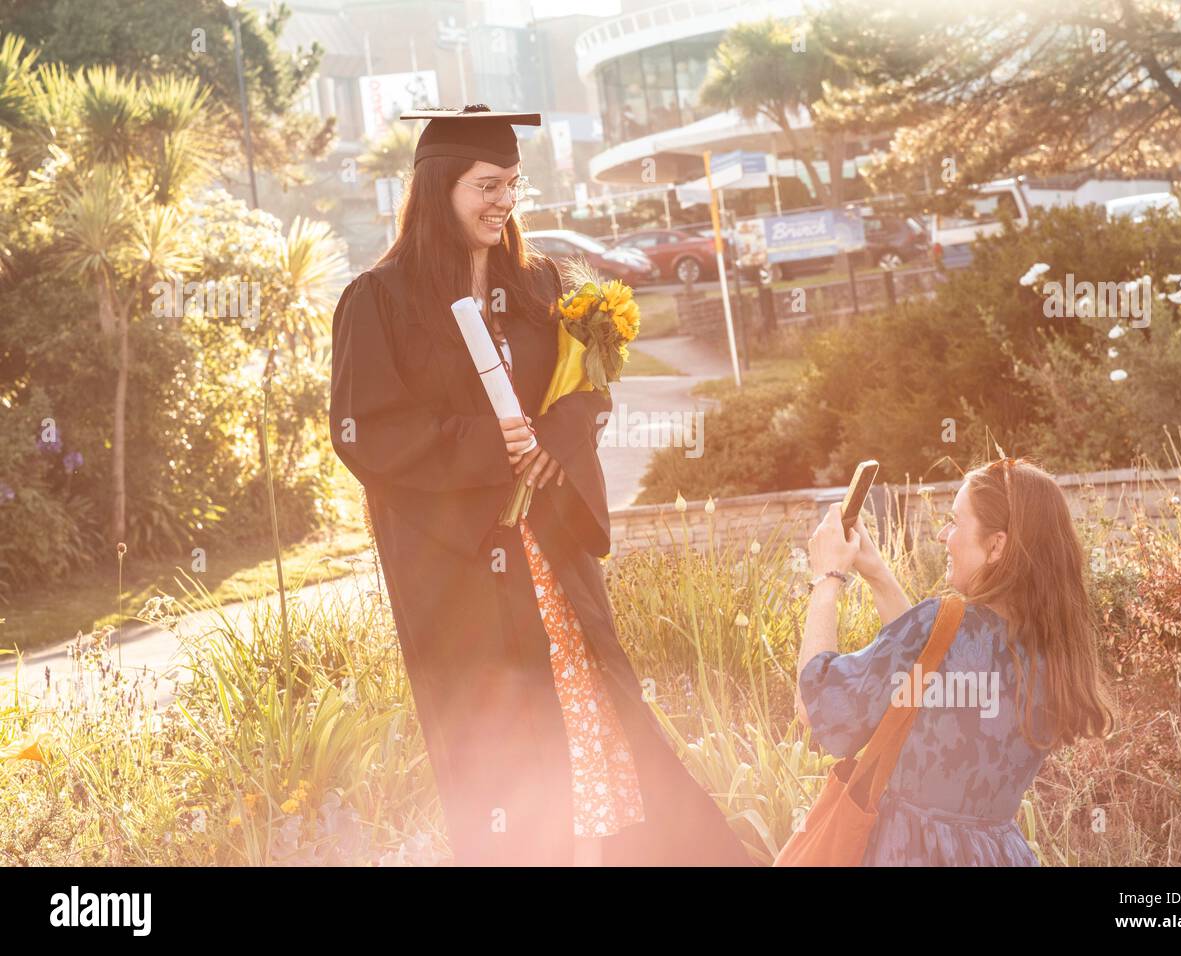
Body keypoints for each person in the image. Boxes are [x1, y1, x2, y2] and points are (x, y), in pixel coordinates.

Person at [329, 104, 752, 867]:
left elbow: (582, 392)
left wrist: (557, 434)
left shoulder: (538, 284)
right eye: (486, 185)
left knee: (598, 729)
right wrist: (491, 447)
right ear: (438, 189)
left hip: (552, 553)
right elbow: (369, 431)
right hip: (459, 570)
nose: (504, 202)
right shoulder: (380, 301)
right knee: (503, 750)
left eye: (513, 185)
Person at [795, 458, 1114, 865]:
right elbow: (934, 669)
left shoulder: (941, 623)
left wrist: (826, 580)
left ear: (996, 545)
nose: (944, 535)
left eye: (955, 522)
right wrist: (876, 573)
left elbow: (814, 707)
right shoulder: (1053, 648)